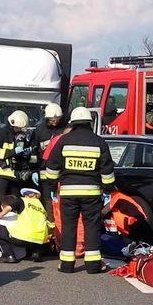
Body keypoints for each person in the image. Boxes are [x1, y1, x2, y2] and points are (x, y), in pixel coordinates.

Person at [46, 106, 115, 274]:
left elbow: (52, 167)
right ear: (89, 123)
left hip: (68, 193)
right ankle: (92, 266)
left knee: (69, 227)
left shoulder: (63, 140)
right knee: (91, 227)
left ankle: (67, 265)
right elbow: (107, 170)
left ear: (73, 122)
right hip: (91, 194)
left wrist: (52, 187)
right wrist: (107, 190)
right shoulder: (99, 142)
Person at [0, 110, 32, 214]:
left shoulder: (21, 137)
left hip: (15, 175)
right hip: (1, 174)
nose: (20, 129)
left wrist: (25, 154)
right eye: (18, 127)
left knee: (15, 203)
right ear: (12, 124)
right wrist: (12, 152)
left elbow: (22, 155)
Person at [0, 188, 48, 263]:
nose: (25, 196)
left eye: (26, 194)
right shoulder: (42, 207)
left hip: (23, 239)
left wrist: (0, 214)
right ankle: (36, 253)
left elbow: (10, 206)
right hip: (40, 241)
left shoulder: (24, 201)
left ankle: (8, 255)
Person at [32, 103, 64, 230]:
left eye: (57, 120)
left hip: (61, 173)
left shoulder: (65, 129)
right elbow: (34, 151)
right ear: (47, 118)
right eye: (52, 120)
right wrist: (34, 169)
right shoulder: (40, 130)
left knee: (60, 202)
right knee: (47, 201)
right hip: (44, 172)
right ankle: (51, 227)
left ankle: (59, 225)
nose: (55, 122)